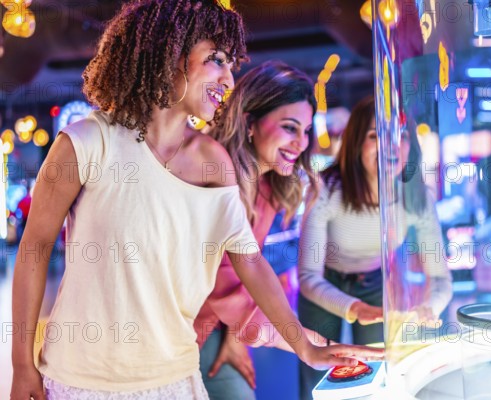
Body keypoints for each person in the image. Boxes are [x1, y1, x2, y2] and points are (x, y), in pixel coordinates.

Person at [11, 2, 379, 399]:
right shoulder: (85, 142)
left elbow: (249, 261)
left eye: (231, 63)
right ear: (168, 52)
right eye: (216, 60)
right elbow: (35, 248)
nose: (228, 77)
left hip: (172, 376)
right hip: (80, 378)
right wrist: (20, 366)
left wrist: (304, 345)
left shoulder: (212, 162)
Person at [195, 61, 364, 400]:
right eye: (290, 128)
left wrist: (234, 335)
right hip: (168, 330)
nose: (301, 143)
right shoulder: (210, 171)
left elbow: (244, 274)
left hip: (213, 325)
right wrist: (308, 343)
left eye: (305, 131)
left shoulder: (271, 187)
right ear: (250, 123)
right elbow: (221, 280)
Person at [297, 96, 452, 399]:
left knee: (377, 374)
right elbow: (308, 277)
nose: (391, 145)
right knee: (315, 376)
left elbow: (442, 279)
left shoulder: (417, 197)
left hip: (375, 282)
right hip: (324, 283)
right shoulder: (326, 188)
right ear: (355, 144)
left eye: (402, 135)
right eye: (374, 135)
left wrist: (428, 309)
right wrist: (354, 308)